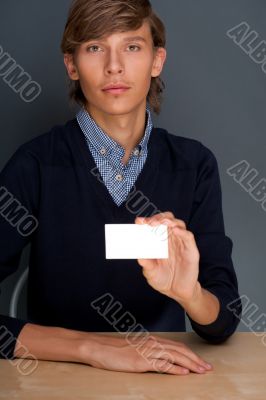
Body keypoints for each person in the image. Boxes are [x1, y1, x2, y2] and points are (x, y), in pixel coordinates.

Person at [0, 0, 242, 375]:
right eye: (95, 47)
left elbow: (223, 321)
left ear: (157, 60)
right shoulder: (35, 166)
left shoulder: (194, 165)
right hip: (57, 381)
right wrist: (91, 347)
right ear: (72, 65)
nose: (114, 66)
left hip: (167, 380)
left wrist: (189, 294)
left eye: (132, 47)